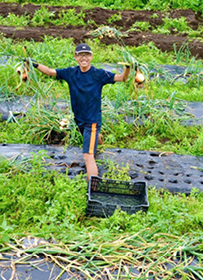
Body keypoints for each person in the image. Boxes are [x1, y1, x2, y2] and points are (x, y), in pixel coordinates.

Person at [31, 43, 130, 180]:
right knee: (91, 139)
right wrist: (34, 64)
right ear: (76, 57)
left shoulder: (98, 74)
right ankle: (100, 146)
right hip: (79, 119)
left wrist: (128, 68)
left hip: (92, 120)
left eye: (87, 55)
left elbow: (121, 78)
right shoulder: (71, 73)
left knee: (87, 156)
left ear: (91, 57)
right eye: (81, 55)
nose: (84, 58)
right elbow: (49, 71)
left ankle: (93, 187)